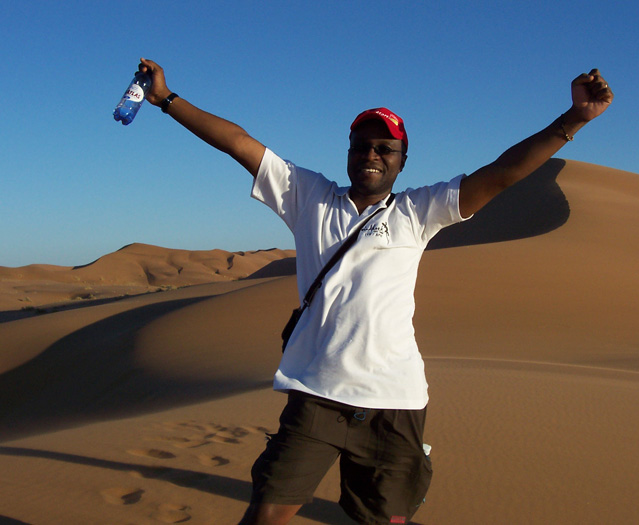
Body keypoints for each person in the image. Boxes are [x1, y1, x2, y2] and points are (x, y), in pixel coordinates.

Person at [138, 58, 612, 525]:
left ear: (403, 161)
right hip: (317, 394)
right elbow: (240, 144)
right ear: (348, 151)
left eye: (385, 148)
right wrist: (166, 100)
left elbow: (501, 173)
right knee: (266, 514)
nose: (372, 155)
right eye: (363, 145)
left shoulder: (418, 211)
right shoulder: (309, 198)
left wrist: (573, 120)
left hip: (395, 402)